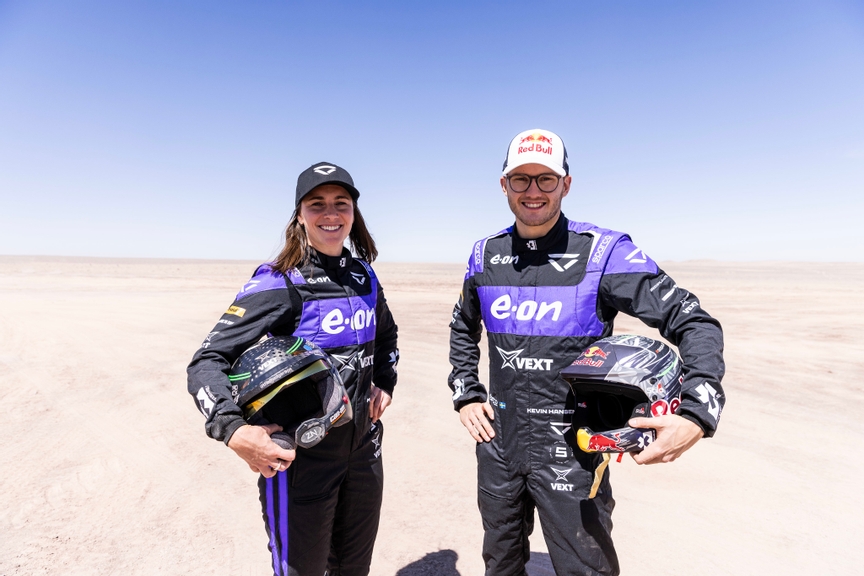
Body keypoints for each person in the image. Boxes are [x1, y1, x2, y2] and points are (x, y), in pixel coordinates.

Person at [447, 129, 726, 576]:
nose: (533, 191)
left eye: (546, 179)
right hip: (499, 447)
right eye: (521, 179)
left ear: (567, 184)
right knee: (499, 565)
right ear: (504, 185)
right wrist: (466, 392)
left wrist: (697, 414)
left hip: (573, 451)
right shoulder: (485, 255)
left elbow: (695, 322)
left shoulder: (605, 252)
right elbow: (463, 325)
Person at [188, 162, 399, 576]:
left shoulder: (364, 276)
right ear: (300, 215)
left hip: (363, 453)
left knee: (354, 568)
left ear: (354, 214)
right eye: (317, 204)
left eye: (341, 203)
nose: (331, 214)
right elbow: (206, 361)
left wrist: (384, 383)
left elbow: (387, 335)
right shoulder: (279, 280)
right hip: (301, 459)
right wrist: (233, 430)